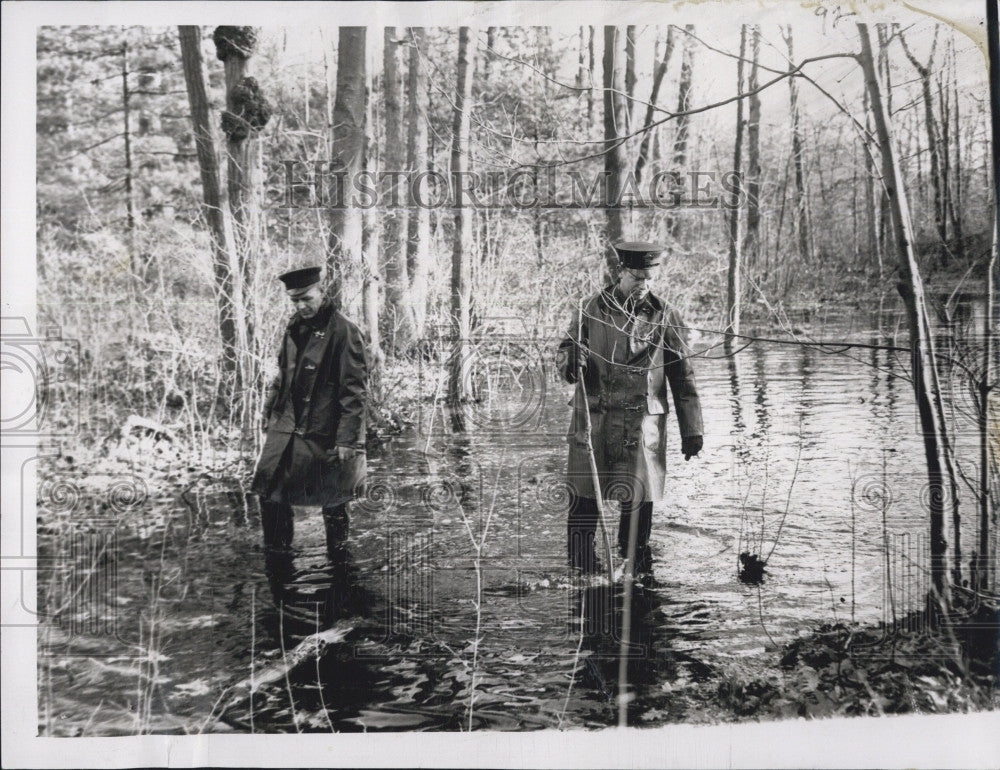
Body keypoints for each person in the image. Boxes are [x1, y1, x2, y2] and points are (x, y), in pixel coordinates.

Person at [556, 241, 703, 575]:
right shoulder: (589, 308)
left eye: (649, 278)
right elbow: (564, 355)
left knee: (637, 517)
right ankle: (580, 576)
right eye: (637, 277)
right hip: (594, 421)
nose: (643, 285)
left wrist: (693, 429)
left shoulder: (665, 313)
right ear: (620, 272)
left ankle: (635, 582)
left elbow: (683, 376)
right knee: (583, 506)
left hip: (642, 426)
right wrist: (572, 358)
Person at [251, 266, 367, 558]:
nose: (301, 306)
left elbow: (353, 391)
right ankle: (278, 558)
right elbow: (283, 375)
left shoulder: (344, 331)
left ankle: (340, 567)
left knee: (334, 501)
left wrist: (347, 440)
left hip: (325, 429)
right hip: (288, 423)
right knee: (270, 493)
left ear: (322, 292)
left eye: (306, 298)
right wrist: (269, 413)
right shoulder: (294, 325)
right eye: (295, 300)